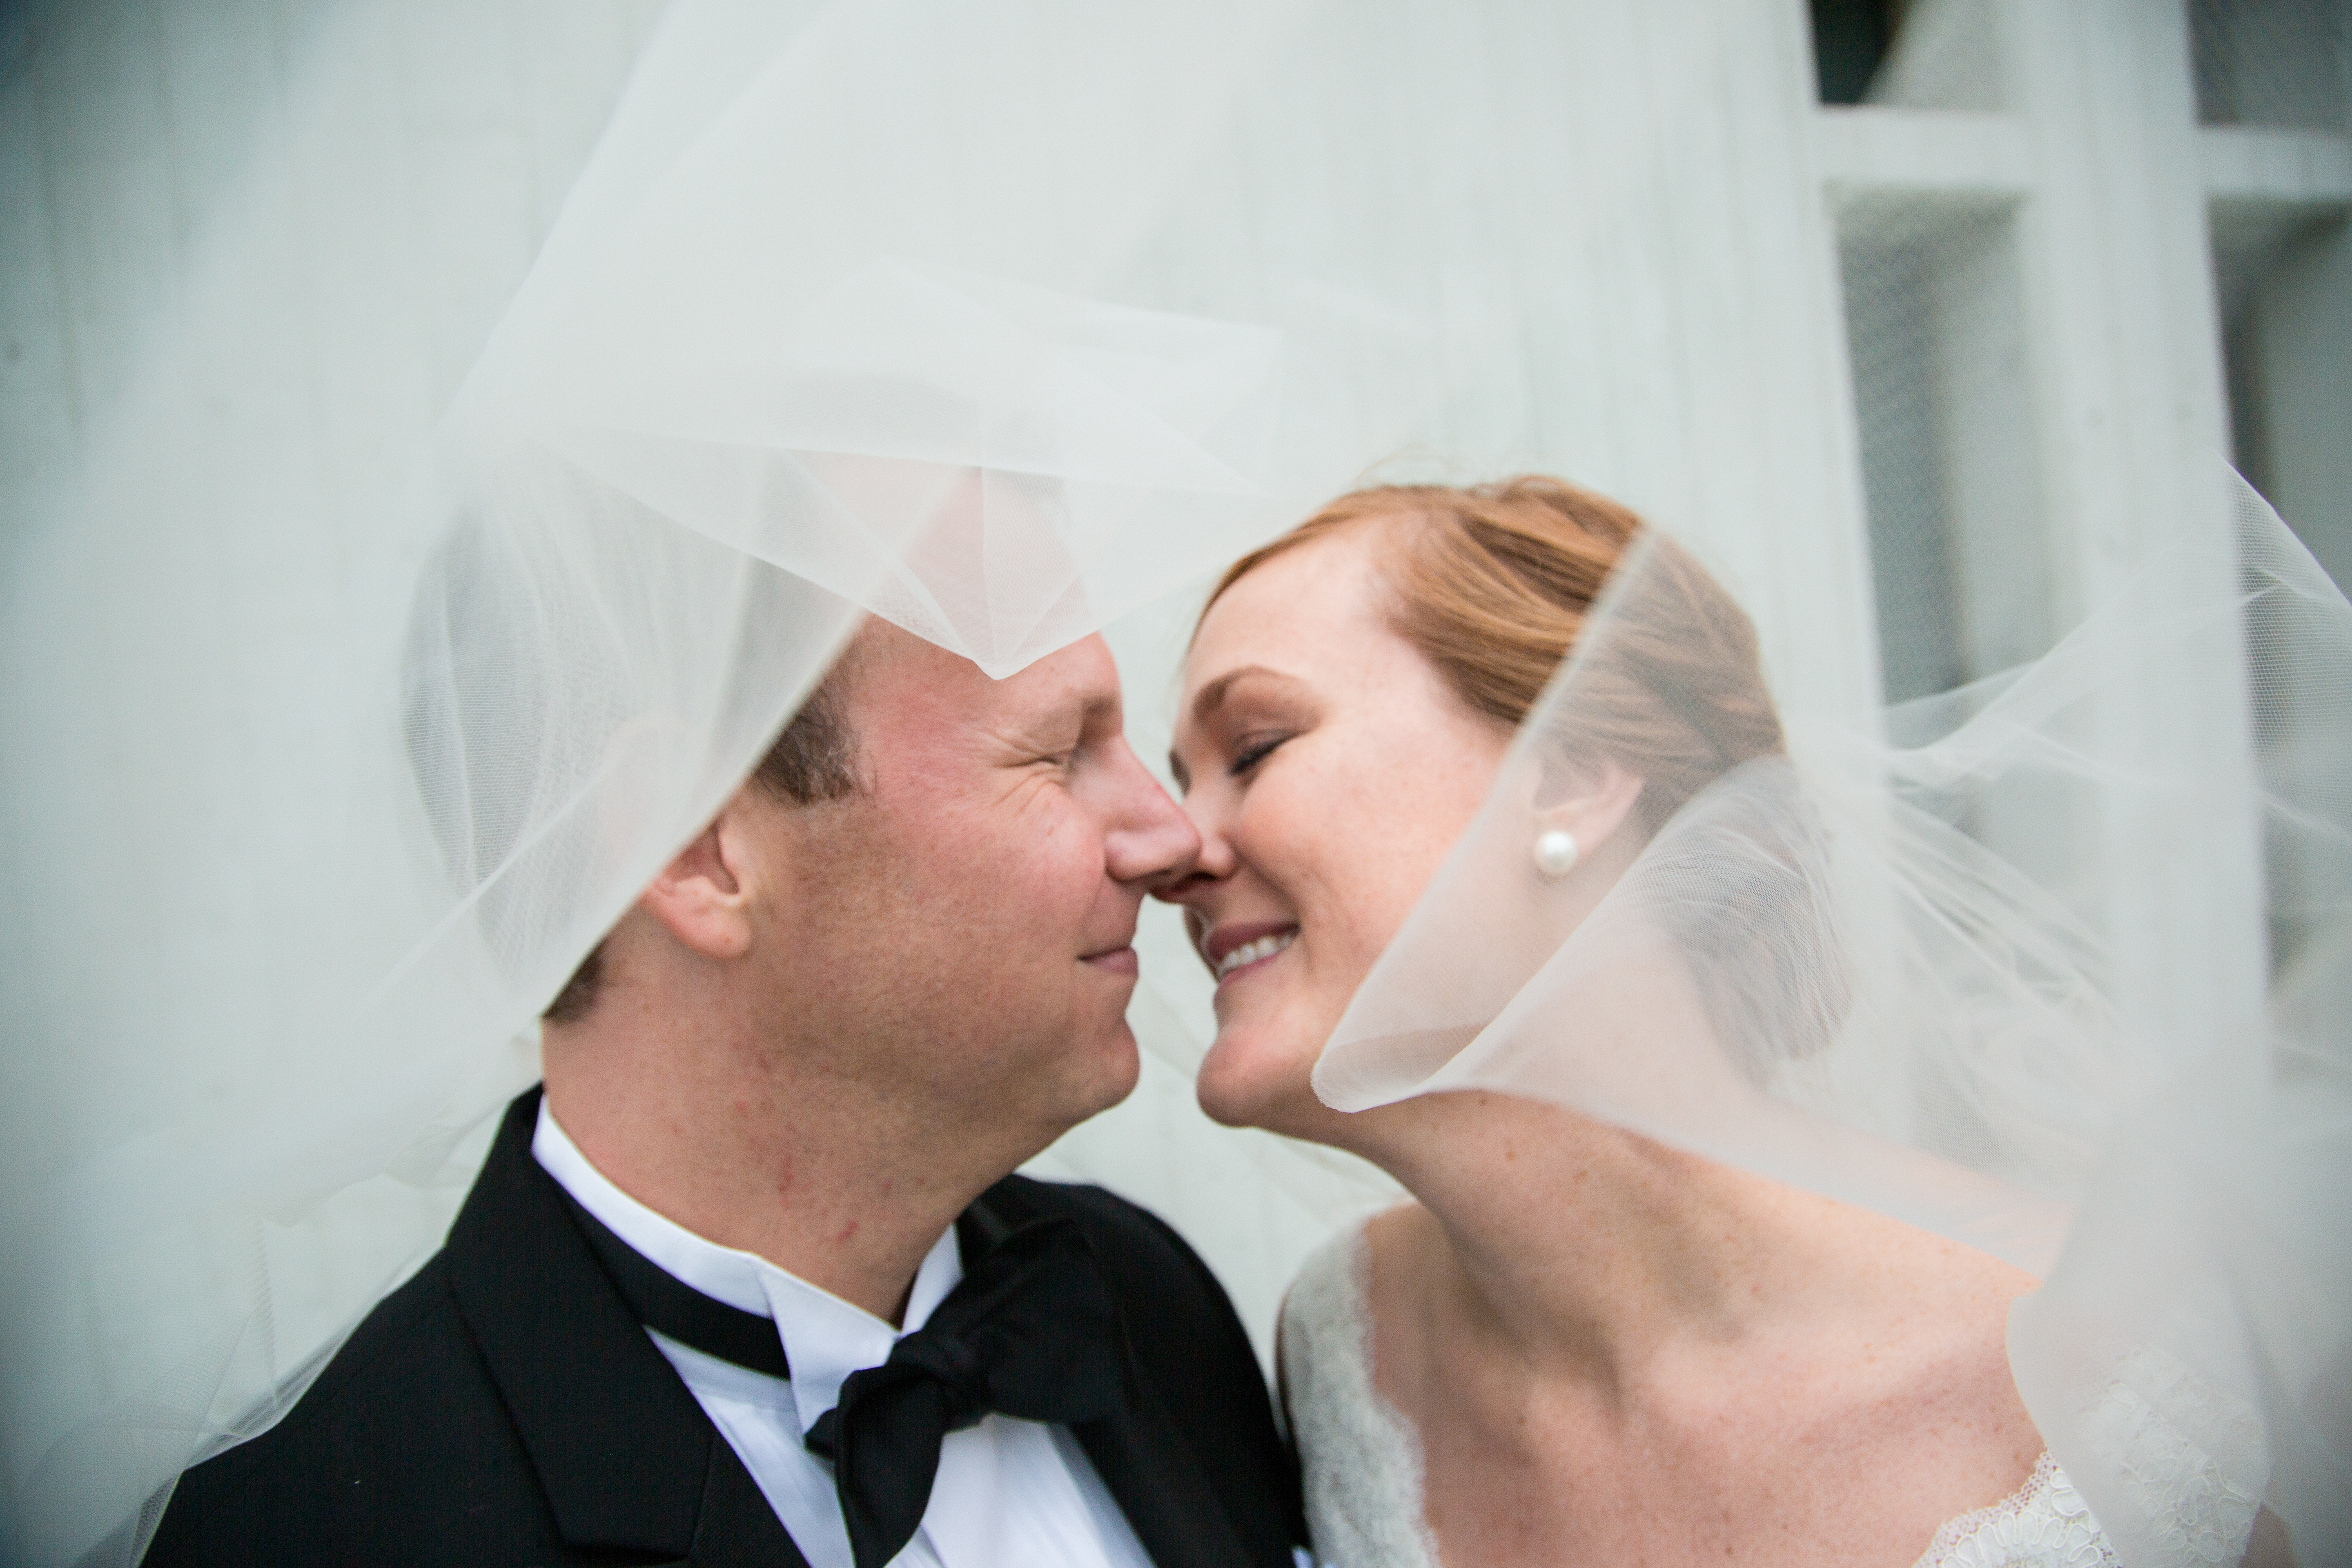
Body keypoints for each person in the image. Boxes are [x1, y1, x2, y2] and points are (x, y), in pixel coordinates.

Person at [1159, 476, 2314, 1567]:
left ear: (1570, 779)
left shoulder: (2126, 1361)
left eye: (1254, 749)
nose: (1170, 851)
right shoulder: (1348, 1351)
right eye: (1181, 781)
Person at [145, 612, 1305, 1568]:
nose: (1174, 839)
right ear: (697, 845)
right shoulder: (313, 1530)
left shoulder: (1141, 1301)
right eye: (1057, 752)